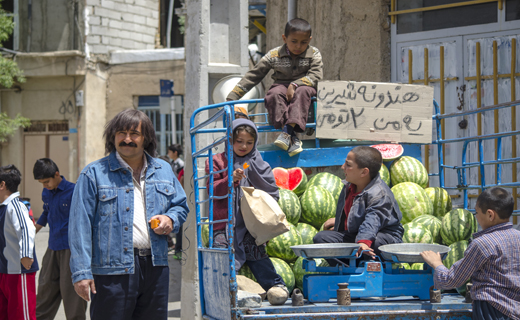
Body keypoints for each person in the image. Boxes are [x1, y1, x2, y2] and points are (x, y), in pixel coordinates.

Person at [69, 109, 189, 320]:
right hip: (111, 272)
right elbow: (80, 226)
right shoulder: (93, 173)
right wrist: (81, 273)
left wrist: (170, 218)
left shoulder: (163, 169)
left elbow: (180, 205)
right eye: (121, 133)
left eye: (134, 133)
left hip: (156, 267)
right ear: (112, 137)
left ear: (146, 138)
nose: (127, 139)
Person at [205, 119, 289, 304]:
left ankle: (276, 287)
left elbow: (271, 193)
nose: (244, 146)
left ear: (255, 142)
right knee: (222, 254)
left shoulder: (259, 164)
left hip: (251, 225)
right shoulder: (216, 161)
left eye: (249, 142)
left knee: (257, 253)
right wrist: (230, 179)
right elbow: (211, 189)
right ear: (229, 139)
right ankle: (220, 293)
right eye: (239, 141)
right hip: (224, 223)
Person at [226, 18, 323, 157]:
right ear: (284, 38)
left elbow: (316, 75)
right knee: (273, 94)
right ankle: (291, 136)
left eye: (304, 42)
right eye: (293, 41)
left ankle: (287, 132)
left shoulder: (314, 53)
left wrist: (295, 84)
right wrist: (233, 96)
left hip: (305, 87)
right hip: (281, 85)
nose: (298, 46)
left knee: (302, 92)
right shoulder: (273, 55)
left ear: (310, 40)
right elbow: (254, 75)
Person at [421, 187, 520, 320]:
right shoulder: (518, 237)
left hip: (491, 311)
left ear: (490, 215)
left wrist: (437, 264)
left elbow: (452, 280)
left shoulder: (482, 244)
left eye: (477, 212)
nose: (476, 217)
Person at [313, 146, 404, 262]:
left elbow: (373, 220)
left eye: (348, 165)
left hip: (384, 236)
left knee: (376, 244)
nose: (342, 167)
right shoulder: (349, 187)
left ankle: (364, 263)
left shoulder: (380, 194)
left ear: (364, 172)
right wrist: (341, 221)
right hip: (357, 235)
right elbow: (357, 214)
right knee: (321, 238)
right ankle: (348, 268)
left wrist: (363, 241)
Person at [32, 158, 87, 320]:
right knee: (45, 288)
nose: (45, 186)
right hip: (52, 247)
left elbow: (85, 219)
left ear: (57, 174)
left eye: (47, 181)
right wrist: (35, 229)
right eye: (41, 183)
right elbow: (46, 212)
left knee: (72, 292)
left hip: (72, 250)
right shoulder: (46, 192)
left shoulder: (74, 191)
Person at [0, 164, 38, 320]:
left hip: (18, 271)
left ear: (2, 185)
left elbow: (26, 229)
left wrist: (26, 255)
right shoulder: (3, 207)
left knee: (21, 314)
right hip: (4, 270)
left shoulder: (15, 206)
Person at [167, 144, 186, 260]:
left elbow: (180, 180)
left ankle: (178, 249)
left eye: (170, 152)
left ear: (175, 152)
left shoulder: (180, 164)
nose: (168, 154)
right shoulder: (173, 163)